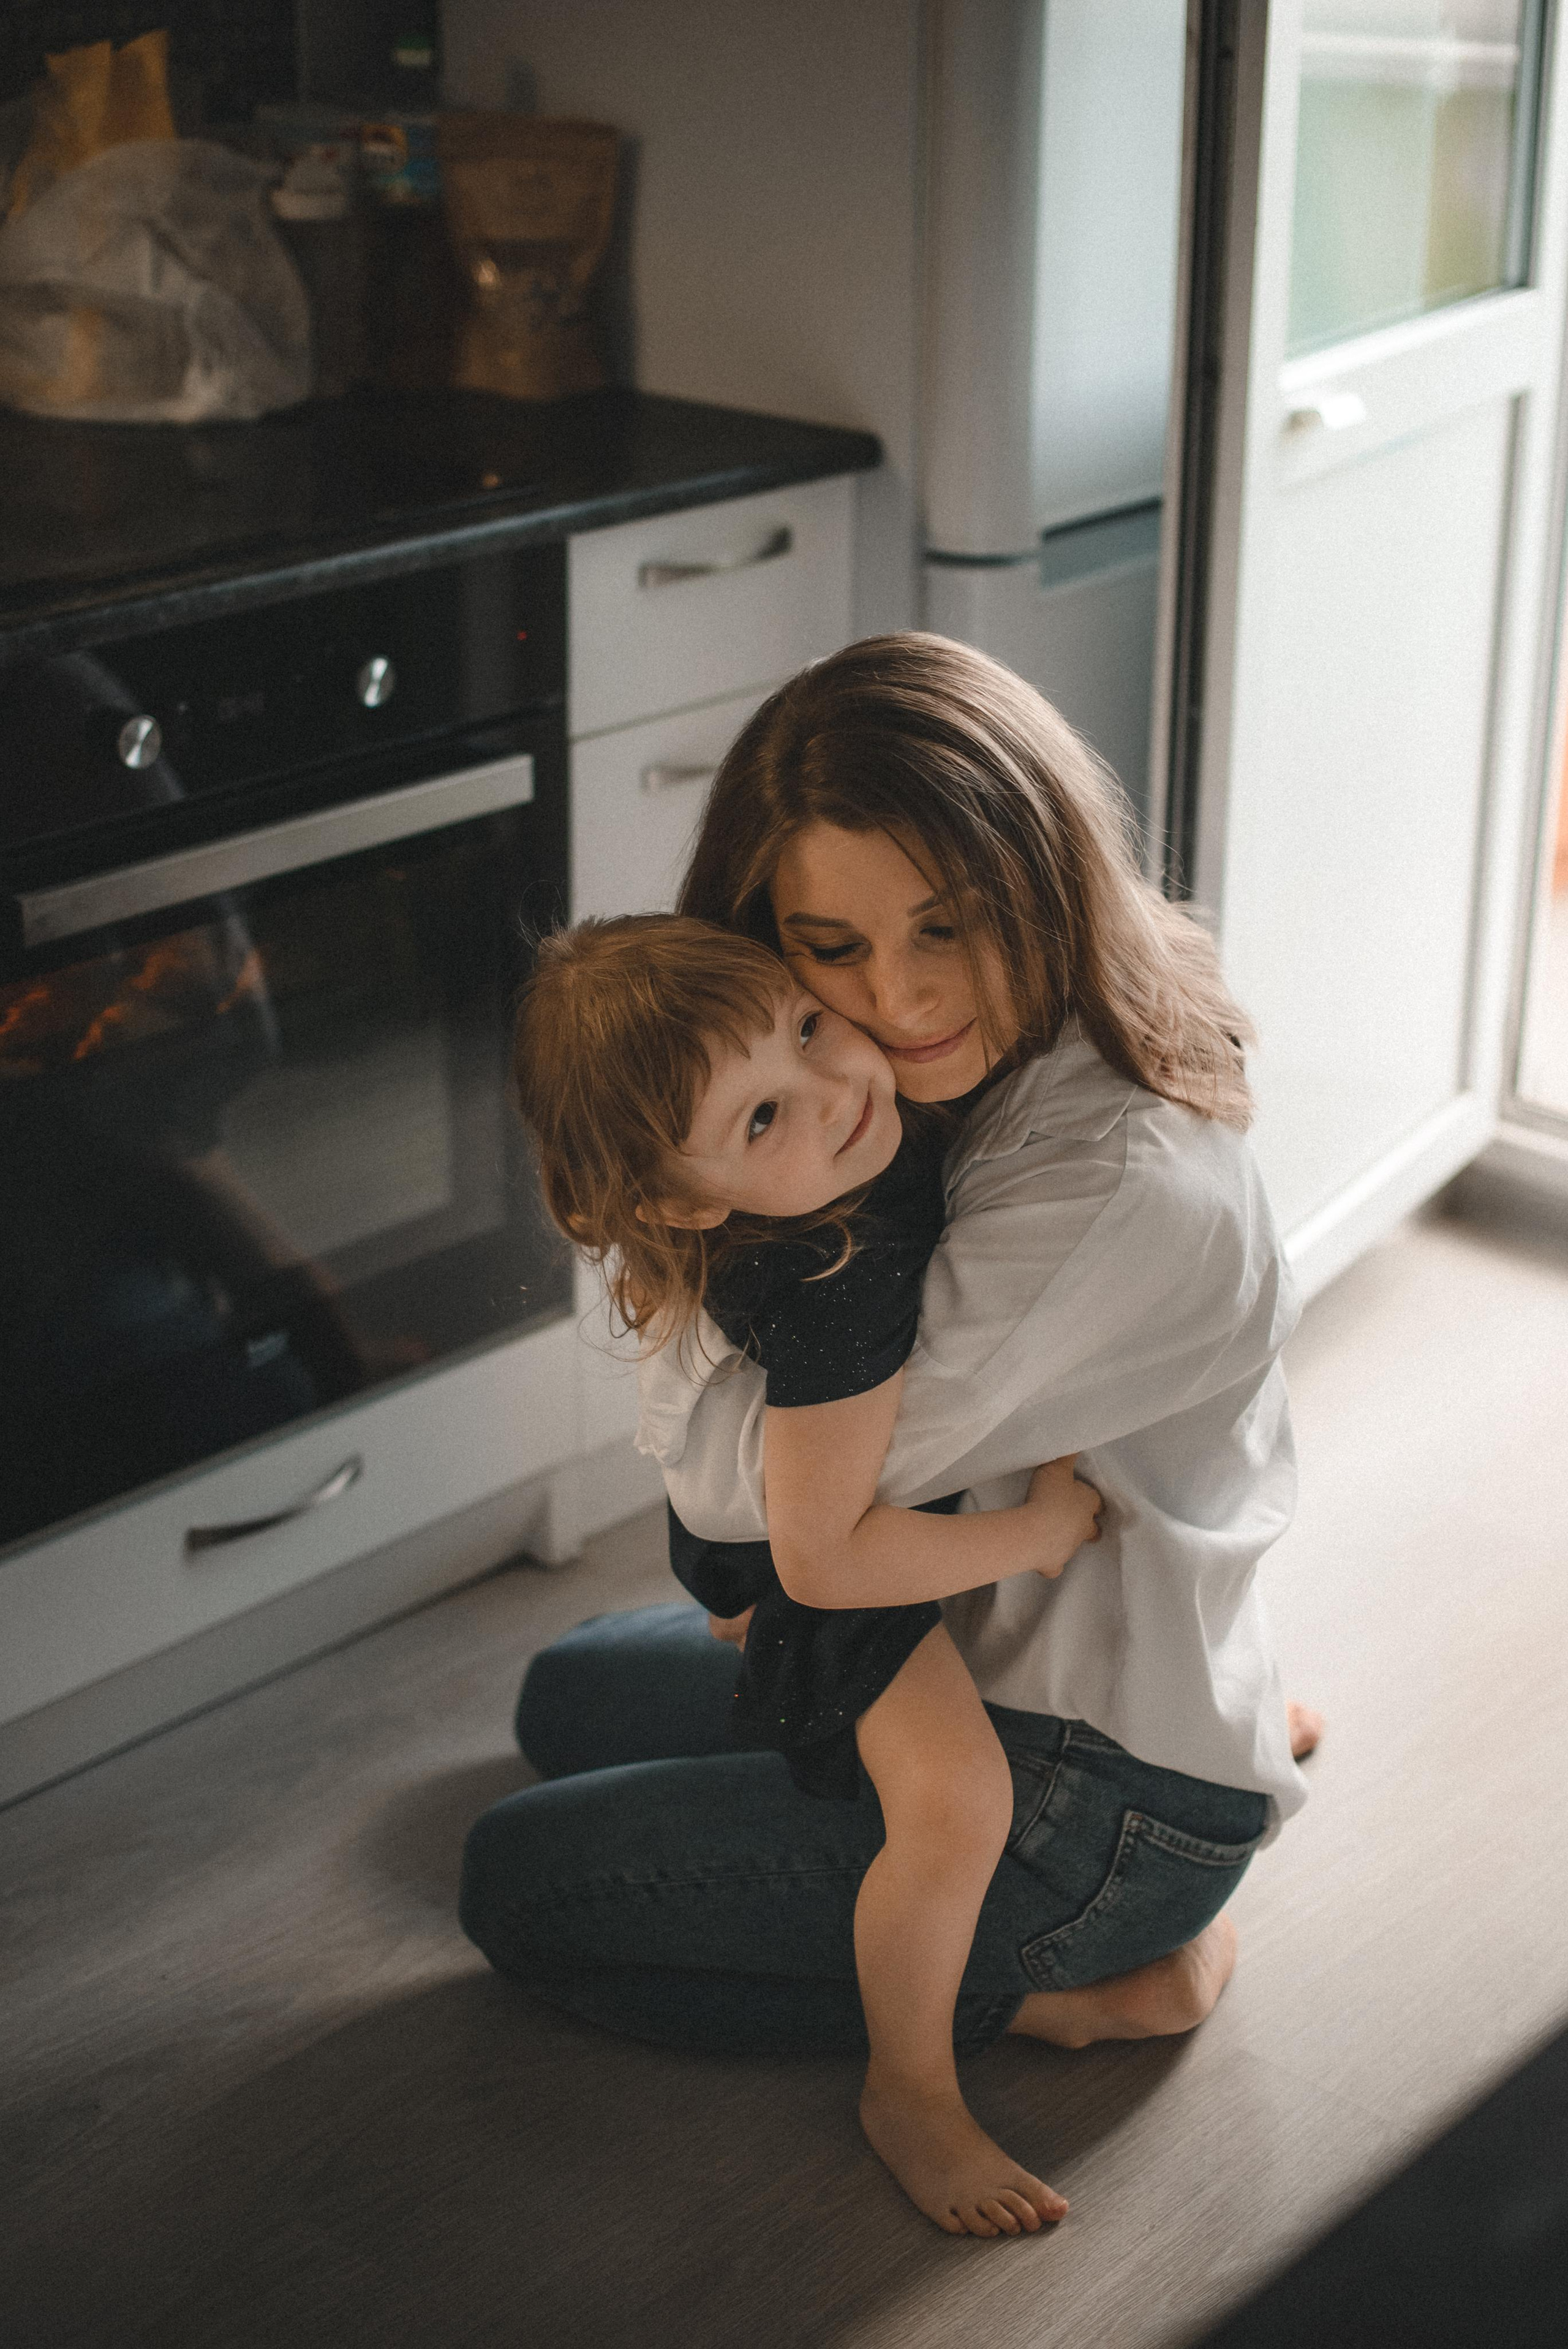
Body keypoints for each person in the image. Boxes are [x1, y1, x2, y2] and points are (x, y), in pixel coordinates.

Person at [461, 634, 1311, 2242]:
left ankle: (1068, 1997)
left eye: (950, 922)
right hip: (949, 1631)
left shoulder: (1098, 1182)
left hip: (1087, 1785)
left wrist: (685, 1219)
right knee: (562, 1690)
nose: (900, 1003)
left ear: (1035, 876)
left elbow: (749, 1485)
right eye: (829, 949)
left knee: (515, 1892)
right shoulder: (921, 1067)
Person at [509, 912, 1102, 2234]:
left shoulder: (859, 1141)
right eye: (762, 1118)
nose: (835, 1091)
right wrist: (1036, 1537)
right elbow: (829, 1560)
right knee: (954, 1801)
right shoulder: (836, 1278)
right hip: (799, 1553)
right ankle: (913, 2088)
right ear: (685, 1197)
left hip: (750, 1524)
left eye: (805, 1026)